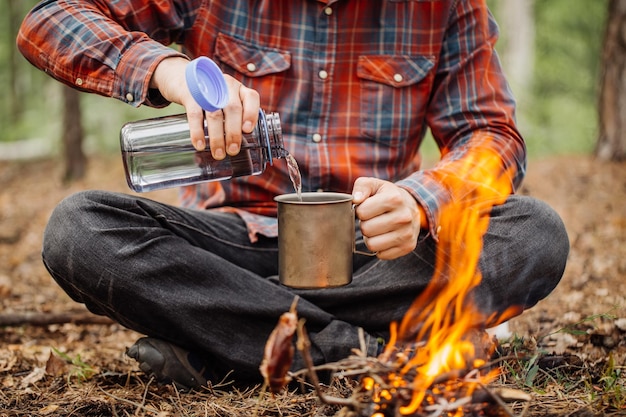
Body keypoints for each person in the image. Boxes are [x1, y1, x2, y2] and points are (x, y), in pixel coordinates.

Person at [17, 0, 569, 391]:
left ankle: (224, 341)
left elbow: (492, 136)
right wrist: (166, 69)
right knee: (79, 230)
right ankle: (357, 351)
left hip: (373, 254)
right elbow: (49, 20)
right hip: (227, 245)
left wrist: (422, 200)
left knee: (534, 234)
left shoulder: (445, 7)